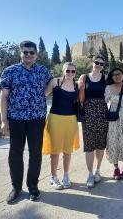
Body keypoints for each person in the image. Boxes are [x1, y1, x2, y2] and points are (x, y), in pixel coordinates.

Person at [0, 41, 53, 204]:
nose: (28, 55)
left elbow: (52, 82)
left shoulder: (42, 70)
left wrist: (45, 93)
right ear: (20, 53)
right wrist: (3, 120)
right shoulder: (10, 71)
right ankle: (16, 187)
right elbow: (3, 96)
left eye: (31, 52)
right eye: (25, 52)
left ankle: (33, 186)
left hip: (37, 118)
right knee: (15, 153)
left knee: (35, 153)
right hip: (16, 119)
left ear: (36, 54)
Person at [43, 62, 80, 190]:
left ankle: (65, 175)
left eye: (73, 71)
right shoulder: (55, 82)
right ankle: (53, 177)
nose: (70, 73)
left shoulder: (77, 86)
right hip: (55, 119)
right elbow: (42, 95)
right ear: (63, 71)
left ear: (75, 73)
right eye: (67, 71)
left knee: (68, 151)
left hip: (71, 120)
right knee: (55, 151)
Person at [78, 55, 108, 188]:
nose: (99, 66)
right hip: (88, 113)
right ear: (92, 63)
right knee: (89, 145)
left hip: (102, 113)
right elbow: (78, 96)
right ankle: (90, 174)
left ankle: (98, 171)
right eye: (97, 63)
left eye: (102, 64)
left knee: (100, 145)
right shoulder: (84, 77)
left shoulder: (105, 78)